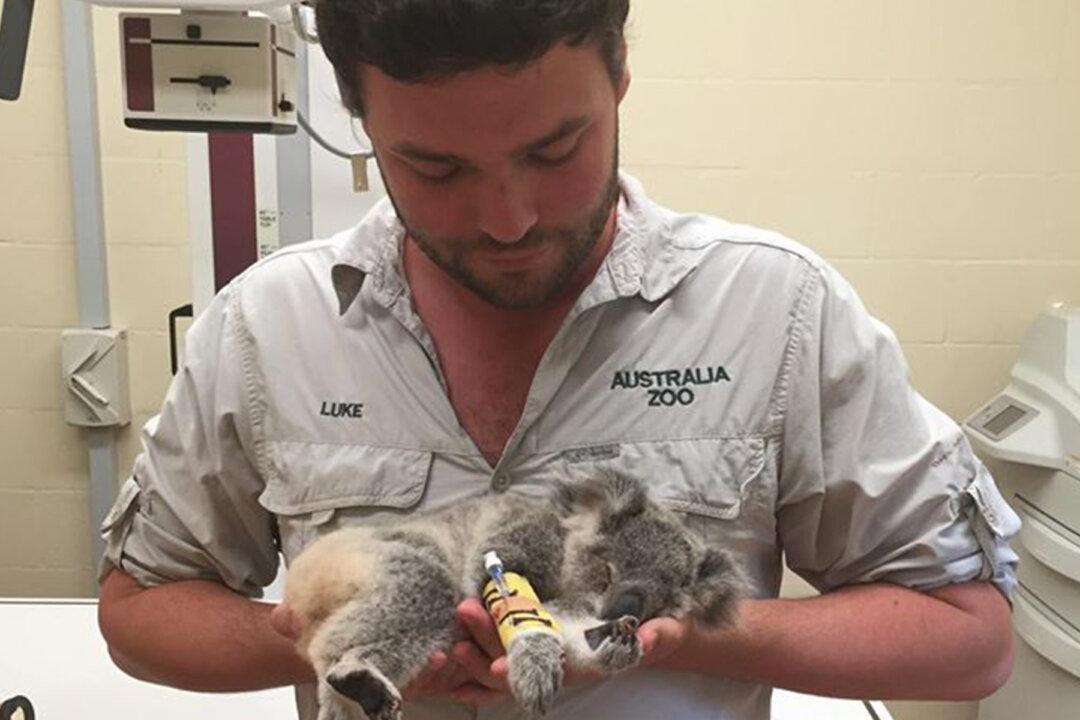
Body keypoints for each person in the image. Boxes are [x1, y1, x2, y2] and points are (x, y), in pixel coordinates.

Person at [96, 1, 1020, 718]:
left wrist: (674, 633)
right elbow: (138, 612)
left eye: (555, 148)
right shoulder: (267, 326)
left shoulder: (777, 311)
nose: (509, 220)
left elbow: (967, 640)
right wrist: (346, 638)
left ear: (620, 73)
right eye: (437, 168)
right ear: (359, 115)